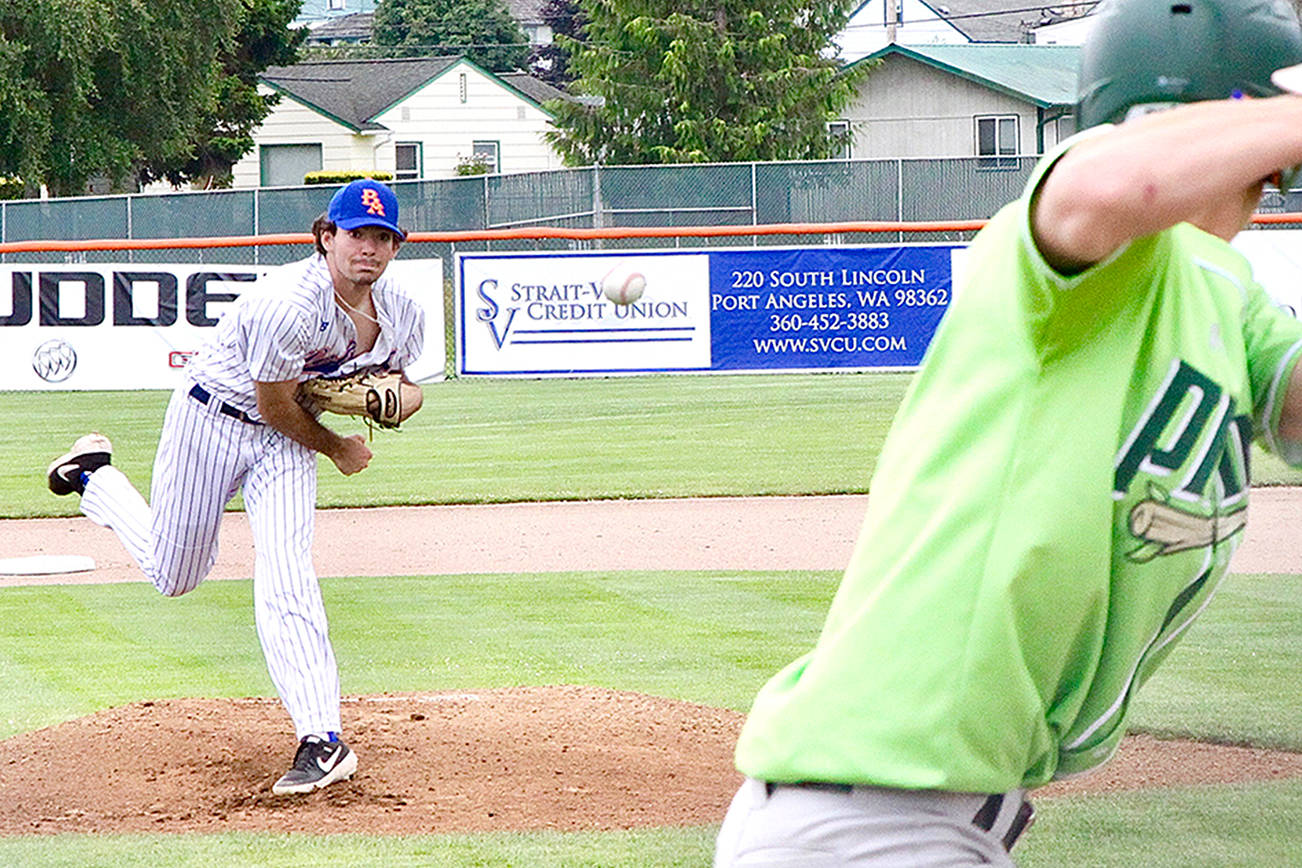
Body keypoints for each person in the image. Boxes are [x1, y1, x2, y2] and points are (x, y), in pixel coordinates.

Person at [715, 1, 1302, 864]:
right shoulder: (1073, 245)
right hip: (868, 825)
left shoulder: (1230, 298)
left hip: (937, 826)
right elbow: (1115, 185)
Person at [45, 178, 426, 795]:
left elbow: (410, 387)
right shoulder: (288, 304)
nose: (371, 249)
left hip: (284, 440)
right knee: (175, 574)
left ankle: (322, 738)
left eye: (384, 238)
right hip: (215, 417)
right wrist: (338, 448)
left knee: (286, 568)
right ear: (326, 238)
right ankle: (96, 475)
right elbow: (275, 405)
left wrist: (394, 401)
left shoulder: (402, 308)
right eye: (357, 234)